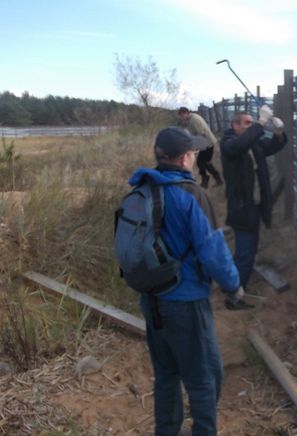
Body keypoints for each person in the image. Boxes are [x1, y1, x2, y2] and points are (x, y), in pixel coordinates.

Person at [129, 127, 244, 435]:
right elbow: (212, 251)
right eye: (193, 153)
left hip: (151, 299)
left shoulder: (141, 190)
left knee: (166, 374)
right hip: (186, 302)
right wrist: (233, 286)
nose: (195, 157)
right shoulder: (190, 195)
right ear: (184, 158)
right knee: (205, 378)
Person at [220, 106, 287, 298]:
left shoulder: (253, 143)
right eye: (247, 123)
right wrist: (260, 123)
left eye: (252, 122)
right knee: (246, 253)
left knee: (247, 249)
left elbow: (272, 147)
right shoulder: (228, 142)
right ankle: (235, 291)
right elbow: (238, 147)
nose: (252, 126)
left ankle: (232, 281)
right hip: (242, 208)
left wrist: (279, 133)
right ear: (235, 125)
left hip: (255, 205)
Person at [178, 107, 223, 188]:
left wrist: (196, 147)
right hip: (206, 142)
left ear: (185, 113)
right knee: (205, 162)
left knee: (201, 162)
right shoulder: (191, 119)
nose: (181, 118)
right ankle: (216, 179)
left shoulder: (194, 120)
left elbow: (201, 133)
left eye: (181, 116)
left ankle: (207, 180)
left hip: (206, 142)